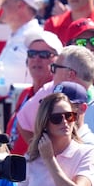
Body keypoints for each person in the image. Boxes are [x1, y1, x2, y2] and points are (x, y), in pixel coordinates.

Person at [6, 28, 61, 156]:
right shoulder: (25, 93)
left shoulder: (58, 98)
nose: (36, 59)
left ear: (58, 62)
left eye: (44, 55)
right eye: (32, 53)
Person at [0, 0, 42, 87]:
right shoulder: (17, 35)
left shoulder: (35, 40)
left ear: (20, 5)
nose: (2, 6)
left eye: (6, 1)